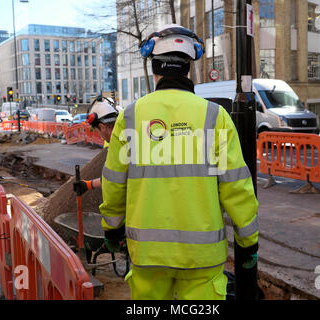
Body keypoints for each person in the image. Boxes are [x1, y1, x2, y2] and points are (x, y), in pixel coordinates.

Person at [99, 24, 259, 300]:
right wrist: (247, 243)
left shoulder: (130, 116)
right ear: (189, 68)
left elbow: (114, 183)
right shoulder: (215, 116)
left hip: (148, 256)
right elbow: (237, 188)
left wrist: (112, 228)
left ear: (154, 69)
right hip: (202, 256)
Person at [72, 97, 118, 194]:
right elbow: (114, 178)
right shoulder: (126, 137)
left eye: (98, 131)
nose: (101, 137)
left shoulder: (119, 147)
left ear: (102, 127)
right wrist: (89, 184)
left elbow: (116, 181)